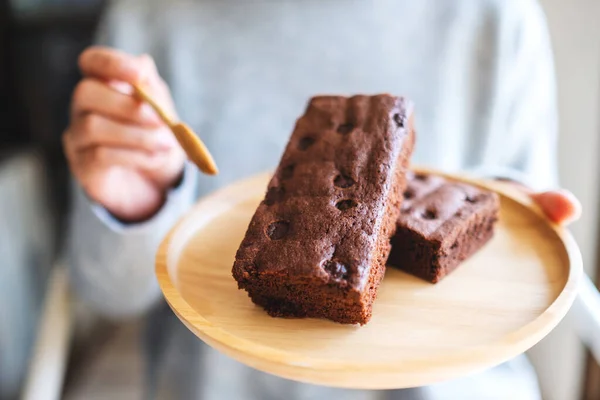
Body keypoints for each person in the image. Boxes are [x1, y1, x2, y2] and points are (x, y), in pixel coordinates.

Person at [62, 0, 581, 399]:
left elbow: (519, 237)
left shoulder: (495, 17)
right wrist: (137, 205)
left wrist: (505, 214)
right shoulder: (153, 19)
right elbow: (106, 292)